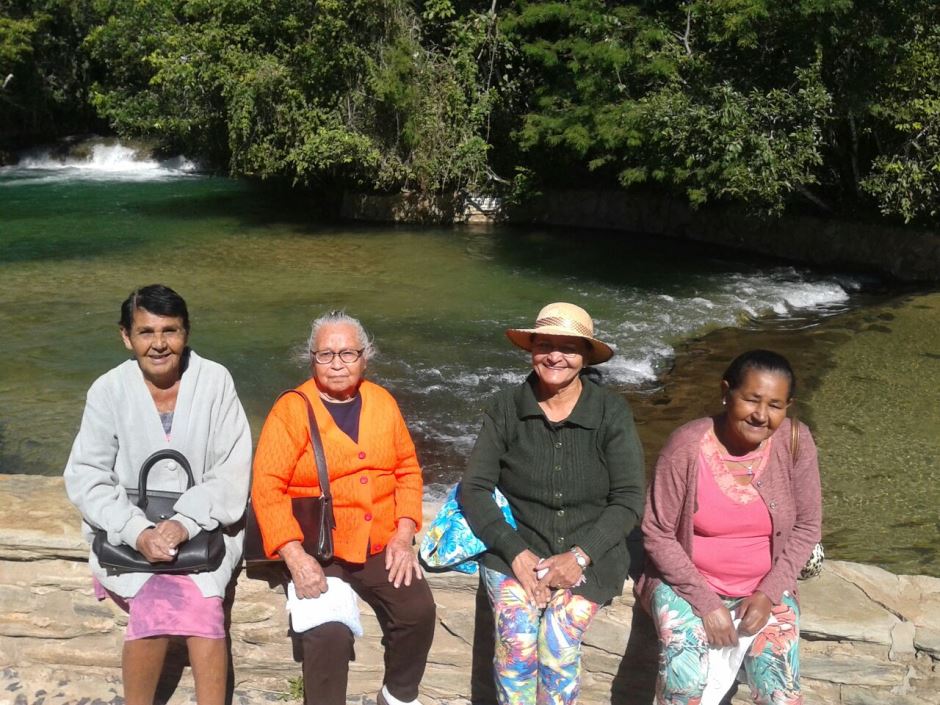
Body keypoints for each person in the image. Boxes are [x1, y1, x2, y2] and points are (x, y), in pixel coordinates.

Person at [63, 284, 252, 705]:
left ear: (187, 333)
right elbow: (86, 476)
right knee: (157, 601)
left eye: (171, 330)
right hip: (128, 533)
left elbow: (232, 472)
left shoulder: (216, 381)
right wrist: (137, 531)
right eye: (146, 332)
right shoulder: (107, 390)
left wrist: (184, 523)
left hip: (205, 529)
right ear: (126, 337)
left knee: (200, 600)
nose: (160, 344)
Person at [460, 302, 645, 705]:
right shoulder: (506, 407)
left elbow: (630, 499)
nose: (555, 356)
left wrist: (579, 557)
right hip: (515, 548)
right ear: (532, 350)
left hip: (590, 553)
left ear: (585, 356)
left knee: (559, 641)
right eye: (545, 344)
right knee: (516, 645)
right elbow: (473, 488)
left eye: (569, 347)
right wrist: (516, 553)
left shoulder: (611, 412)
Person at [251, 311, 435, 705]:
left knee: (417, 610)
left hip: (379, 541)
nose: (337, 364)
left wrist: (403, 535)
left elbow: (407, 469)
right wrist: (294, 556)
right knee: (327, 634)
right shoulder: (291, 409)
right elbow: (267, 487)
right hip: (318, 545)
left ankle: (397, 696)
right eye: (325, 355)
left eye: (348, 353)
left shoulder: (383, 402)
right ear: (311, 359)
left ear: (365, 357)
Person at [636, 349, 822, 705]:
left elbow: (807, 527)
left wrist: (769, 594)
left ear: (789, 406)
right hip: (686, 585)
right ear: (726, 392)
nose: (761, 415)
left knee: (780, 693)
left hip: (765, 586)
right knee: (685, 686)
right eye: (751, 399)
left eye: (775, 405)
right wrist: (707, 603)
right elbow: (657, 532)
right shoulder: (686, 448)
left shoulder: (795, 442)